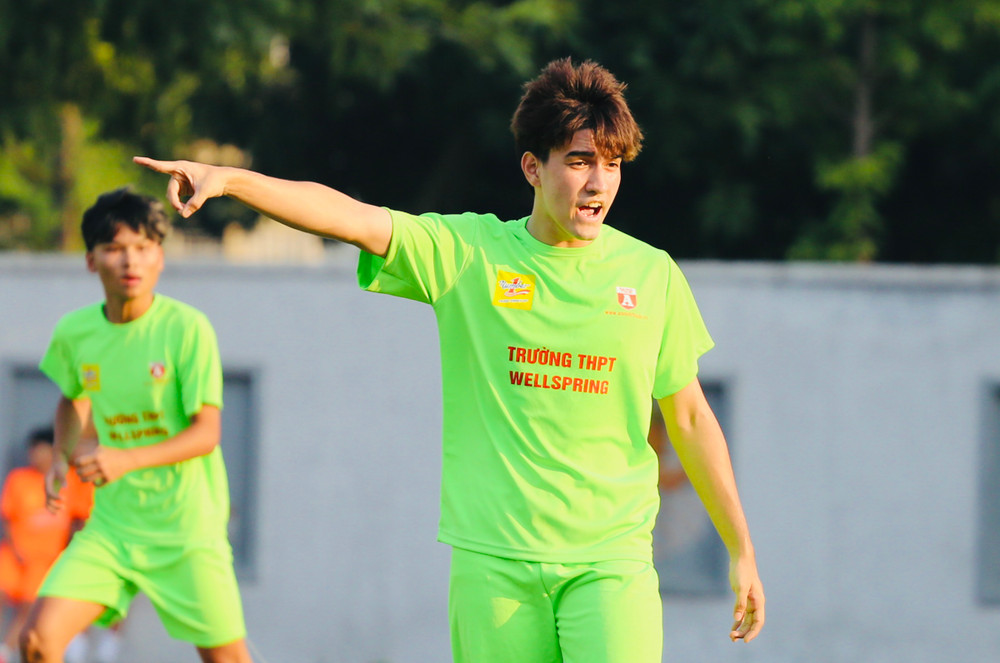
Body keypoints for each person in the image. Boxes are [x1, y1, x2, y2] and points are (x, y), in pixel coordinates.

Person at [136, 57, 765, 662]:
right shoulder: (469, 254)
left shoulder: (652, 275)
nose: (599, 183)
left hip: (611, 562)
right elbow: (351, 219)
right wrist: (230, 180)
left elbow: (688, 418)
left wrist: (741, 548)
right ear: (532, 167)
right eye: (579, 161)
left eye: (612, 164)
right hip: (494, 565)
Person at [21, 188, 252, 663]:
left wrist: (125, 458)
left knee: (228, 660)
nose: (131, 261)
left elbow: (207, 433)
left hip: (187, 532)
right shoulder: (75, 332)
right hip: (112, 530)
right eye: (114, 248)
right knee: (37, 643)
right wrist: (61, 457)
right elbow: (72, 398)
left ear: (160, 257)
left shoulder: (187, 328)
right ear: (91, 261)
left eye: (143, 247)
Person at [0, 427, 93, 663]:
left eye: (43, 452)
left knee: (31, 607)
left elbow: (80, 517)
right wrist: (16, 550)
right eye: (34, 452)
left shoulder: (72, 480)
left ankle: (5, 652)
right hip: (15, 555)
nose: (37, 458)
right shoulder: (19, 479)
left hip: (47, 559)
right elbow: (8, 516)